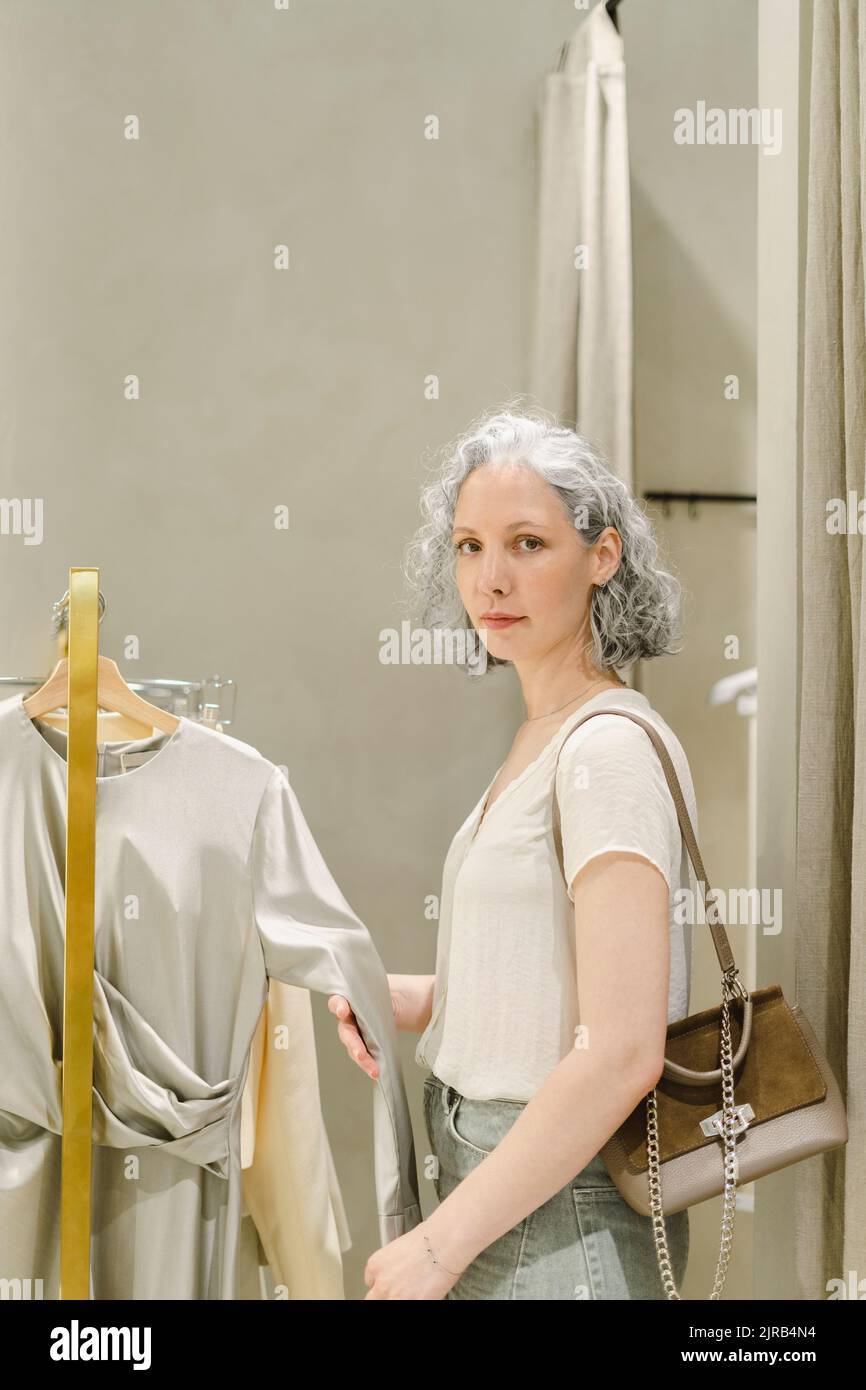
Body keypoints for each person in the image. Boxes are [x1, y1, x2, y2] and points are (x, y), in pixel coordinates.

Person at [330, 403, 695, 1300]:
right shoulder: (546, 733)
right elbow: (554, 978)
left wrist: (438, 1246)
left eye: (528, 544)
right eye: (468, 546)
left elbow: (619, 1050)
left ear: (601, 556)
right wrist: (412, 997)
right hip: (504, 1184)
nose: (491, 578)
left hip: (557, 1204)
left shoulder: (604, 749)